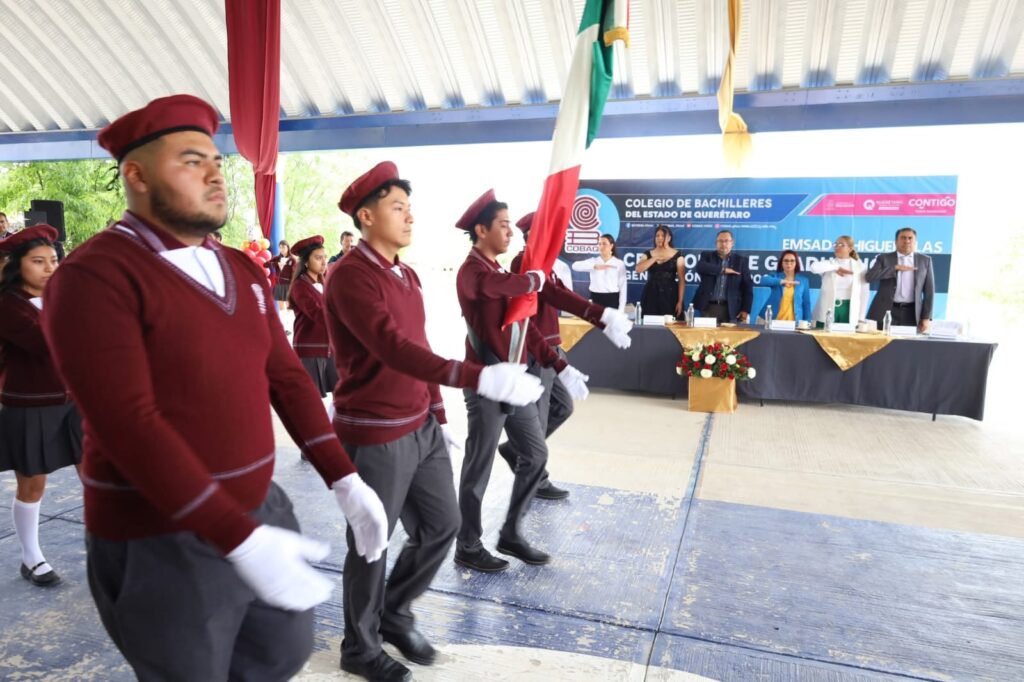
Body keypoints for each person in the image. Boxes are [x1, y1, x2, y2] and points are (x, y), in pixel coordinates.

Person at [42, 94, 390, 681]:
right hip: (159, 531)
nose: (214, 173)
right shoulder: (94, 277)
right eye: (190, 160)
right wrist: (239, 539)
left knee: (279, 656)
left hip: (259, 507)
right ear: (138, 175)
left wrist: (344, 477)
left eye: (215, 159)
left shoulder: (238, 267)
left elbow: (285, 376)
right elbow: (126, 421)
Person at [329, 165, 541, 681]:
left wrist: (439, 413)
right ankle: (359, 644)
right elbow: (390, 346)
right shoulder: (351, 275)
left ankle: (393, 612)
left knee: (442, 526)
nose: (408, 217)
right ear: (366, 215)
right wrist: (475, 376)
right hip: (375, 428)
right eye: (397, 207)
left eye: (408, 206)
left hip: (419, 424)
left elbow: (418, 346)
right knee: (371, 540)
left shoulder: (406, 274)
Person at [455, 190, 591, 573]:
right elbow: (487, 290)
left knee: (535, 453)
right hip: (486, 383)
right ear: (481, 230)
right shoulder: (473, 271)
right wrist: (529, 281)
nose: (510, 232)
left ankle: (511, 532)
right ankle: (467, 543)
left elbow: (524, 328)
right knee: (477, 467)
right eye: (503, 225)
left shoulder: (501, 272)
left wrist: (558, 364)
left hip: (515, 382)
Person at [497, 212, 631, 501]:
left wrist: (604, 320)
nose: (557, 239)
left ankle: (517, 449)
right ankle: (535, 478)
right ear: (534, 235)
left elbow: (559, 296)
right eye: (551, 233)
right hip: (537, 351)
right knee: (540, 417)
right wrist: (602, 317)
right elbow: (557, 297)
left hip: (552, 347)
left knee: (563, 407)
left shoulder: (544, 263)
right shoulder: (525, 263)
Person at [0, 225, 83, 587]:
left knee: (96, 477)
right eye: (38, 261)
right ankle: (31, 557)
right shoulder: (8, 306)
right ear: (17, 266)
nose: (50, 267)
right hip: (30, 405)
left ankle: (111, 550)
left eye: (53, 260)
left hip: (76, 402)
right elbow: (47, 343)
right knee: (32, 485)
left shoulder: (62, 297)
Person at [287, 235, 337, 398]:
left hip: (330, 349)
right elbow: (317, 313)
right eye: (318, 258)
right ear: (306, 262)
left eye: (325, 257)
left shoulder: (325, 283)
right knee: (311, 399)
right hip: (310, 350)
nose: (324, 262)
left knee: (342, 394)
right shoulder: (299, 287)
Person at [865, 227, 935, 333]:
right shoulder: (883, 258)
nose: (906, 241)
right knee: (881, 345)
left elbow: (929, 291)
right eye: (903, 238)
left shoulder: (925, 260)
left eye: (910, 238)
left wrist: (926, 317)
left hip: (912, 312)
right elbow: (869, 277)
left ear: (915, 241)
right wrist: (894, 268)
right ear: (896, 241)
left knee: (907, 346)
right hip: (886, 310)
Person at [692, 230, 754, 324]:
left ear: (732, 243)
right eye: (720, 241)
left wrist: (745, 310)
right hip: (708, 307)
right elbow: (700, 267)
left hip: (731, 309)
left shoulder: (741, 261)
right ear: (716, 243)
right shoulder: (707, 256)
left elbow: (748, 288)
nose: (723, 244)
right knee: (706, 338)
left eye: (726, 241)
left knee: (729, 338)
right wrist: (723, 270)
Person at [809, 235, 869, 326]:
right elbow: (813, 267)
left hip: (848, 310)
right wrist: (836, 267)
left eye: (841, 245)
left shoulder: (860, 267)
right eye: (836, 244)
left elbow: (864, 293)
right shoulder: (829, 264)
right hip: (827, 308)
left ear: (850, 248)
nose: (837, 247)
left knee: (845, 338)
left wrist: (861, 317)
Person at [635, 225, 684, 317]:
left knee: (670, 325)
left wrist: (680, 301)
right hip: (651, 294)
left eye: (663, 235)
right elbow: (638, 269)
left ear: (669, 238)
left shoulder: (678, 255)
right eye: (657, 236)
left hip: (670, 295)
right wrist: (655, 257)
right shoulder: (648, 254)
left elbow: (682, 280)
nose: (660, 238)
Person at [571, 233, 627, 311]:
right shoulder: (593, 261)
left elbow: (623, 288)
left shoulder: (619, 263)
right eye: (599, 244)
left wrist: (621, 310)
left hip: (612, 299)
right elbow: (574, 266)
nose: (601, 246)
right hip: (595, 299)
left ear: (611, 246)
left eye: (604, 244)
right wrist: (594, 266)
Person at [760, 250, 811, 322]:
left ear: (796, 263)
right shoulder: (775, 276)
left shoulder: (803, 281)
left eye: (792, 261)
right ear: (781, 263)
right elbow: (763, 280)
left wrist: (808, 322)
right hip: (773, 321)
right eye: (786, 261)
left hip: (795, 323)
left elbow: (806, 303)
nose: (789, 263)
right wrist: (781, 281)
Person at [269, 239, 293, 310]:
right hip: (279, 284)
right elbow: (266, 264)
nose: (281, 249)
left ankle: (289, 320)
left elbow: (294, 272)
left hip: (288, 284)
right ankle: (282, 320)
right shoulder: (277, 258)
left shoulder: (292, 259)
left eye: (283, 247)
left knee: (289, 307)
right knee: (281, 308)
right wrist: (276, 263)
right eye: (280, 247)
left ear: (288, 247)